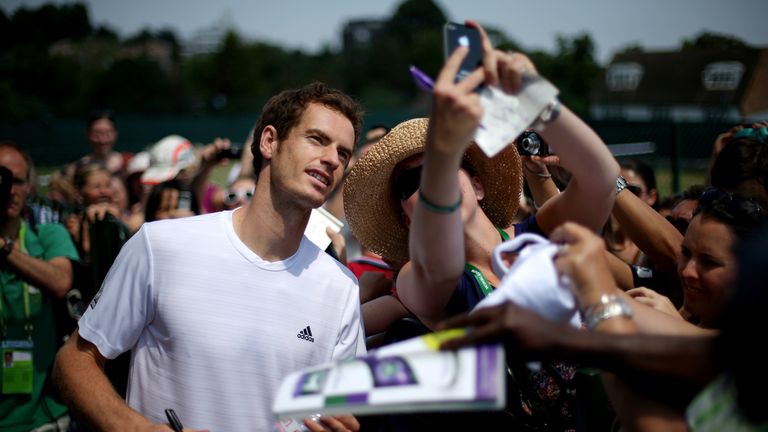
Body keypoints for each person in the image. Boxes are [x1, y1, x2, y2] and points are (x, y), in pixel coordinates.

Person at [344, 20, 618, 429]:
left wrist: (535, 97)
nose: (431, 180)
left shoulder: (536, 237)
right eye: (409, 183)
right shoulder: (421, 280)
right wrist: (443, 150)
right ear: (406, 216)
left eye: (446, 166)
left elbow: (601, 179)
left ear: (478, 185)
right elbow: (440, 266)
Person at [53, 82, 367, 432]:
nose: (332, 159)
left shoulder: (340, 288)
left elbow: (341, 410)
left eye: (343, 152)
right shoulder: (162, 246)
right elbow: (74, 360)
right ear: (269, 142)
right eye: (317, 139)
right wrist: (138, 429)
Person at [0, 142, 79, 432]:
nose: (8, 190)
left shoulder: (47, 234)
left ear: (30, 187)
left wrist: (5, 249)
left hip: (42, 418)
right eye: (0, 179)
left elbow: (60, 281)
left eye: (17, 181)